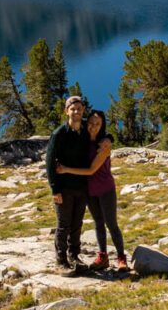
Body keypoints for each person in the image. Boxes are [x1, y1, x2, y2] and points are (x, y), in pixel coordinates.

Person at [55, 109, 128, 271]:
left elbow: (91, 170)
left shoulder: (104, 145)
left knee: (111, 224)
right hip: (89, 190)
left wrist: (66, 169)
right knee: (98, 223)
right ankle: (103, 256)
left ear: (102, 126)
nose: (93, 126)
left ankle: (121, 257)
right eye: (91, 123)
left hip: (105, 189)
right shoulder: (83, 140)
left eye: (97, 124)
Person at [44, 93, 92, 274]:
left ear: (83, 110)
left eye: (79, 108)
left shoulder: (86, 130)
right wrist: (54, 189)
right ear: (66, 111)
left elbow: (102, 133)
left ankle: (74, 255)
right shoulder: (59, 134)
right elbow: (49, 162)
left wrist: (108, 139)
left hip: (81, 186)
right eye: (72, 109)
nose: (76, 111)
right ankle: (61, 260)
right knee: (63, 224)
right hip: (63, 187)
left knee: (77, 223)